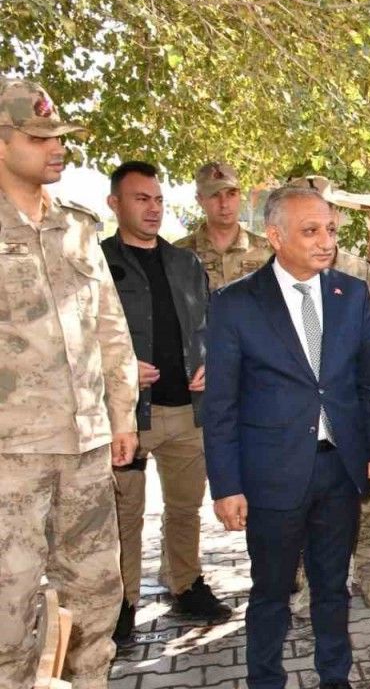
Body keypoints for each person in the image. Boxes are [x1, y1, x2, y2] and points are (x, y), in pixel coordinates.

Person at [202, 186, 370, 689]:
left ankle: (335, 678)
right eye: (311, 231)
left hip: (339, 469)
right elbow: (220, 406)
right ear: (275, 236)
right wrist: (226, 485)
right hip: (271, 473)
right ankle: (265, 680)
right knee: (271, 593)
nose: (326, 241)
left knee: (333, 588)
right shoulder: (235, 304)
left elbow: (369, 386)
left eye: (330, 229)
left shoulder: (351, 295)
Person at [0, 77, 139, 688]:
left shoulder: (78, 226)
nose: (57, 148)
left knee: (95, 605)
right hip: (11, 458)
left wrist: (122, 415)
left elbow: (110, 327)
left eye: (59, 137)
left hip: (86, 450)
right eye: (39, 138)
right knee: (8, 619)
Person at [100, 161, 229, 646]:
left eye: (157, 199)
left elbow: (210, 325)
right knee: (125, 516)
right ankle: (123, 603)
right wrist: (120, 367)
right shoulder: (98, 263)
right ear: (115, 204)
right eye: (141, 199)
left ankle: (186, 585)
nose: (152, 209)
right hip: (128, 416)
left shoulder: (185, 263)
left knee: (185, 508)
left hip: (187, 412)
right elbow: (80, 335)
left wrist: (211, 361)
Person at [284, 175, 370, 609]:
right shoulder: (275, 273)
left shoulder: (357, 272)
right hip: (299, 417)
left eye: (328, 216)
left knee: (368, 501)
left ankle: (367, 571)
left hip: (351, 410)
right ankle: (310, 581)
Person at [175, 161, 273, 291]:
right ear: (200, 200)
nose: (224, 204)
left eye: (231, 194)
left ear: (239, 196)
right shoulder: (179, 254)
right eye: (215, 195)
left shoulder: (268, 251)